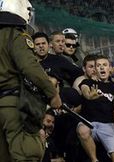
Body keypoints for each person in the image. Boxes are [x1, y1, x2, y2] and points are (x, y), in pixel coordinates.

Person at [0, 0, 62, 161]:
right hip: (13, 105)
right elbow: (29, 67)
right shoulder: (15, 35)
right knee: (26, 152)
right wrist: (52, 93)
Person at [77, 55, 114, 162]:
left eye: (104, 65)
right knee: (83, 130)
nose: (102, 68)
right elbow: (84, 89)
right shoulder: (89, 82)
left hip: (107, 125)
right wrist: (89, 96)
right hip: (88, 122)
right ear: (95, 70)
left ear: (110, 68)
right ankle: (94, 160)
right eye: (98, 66)